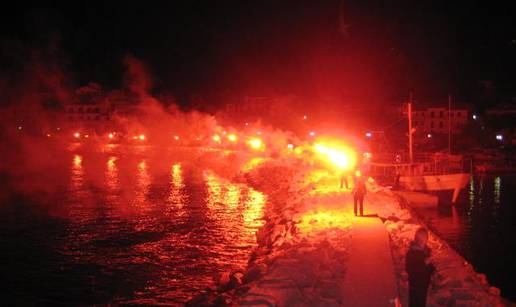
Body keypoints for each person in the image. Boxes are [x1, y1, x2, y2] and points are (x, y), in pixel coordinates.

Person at [406, 227, 435, 307]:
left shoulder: (426, 251)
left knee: (422, 302)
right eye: (424, 236)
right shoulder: (412, 253)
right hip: (415, 285)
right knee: (415, 303)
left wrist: (432, 269)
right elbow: (410, 270)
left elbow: (429, 267)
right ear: (418, 238)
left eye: (426, 236)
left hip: (424, 284)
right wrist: (424, 263)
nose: (426, 239)